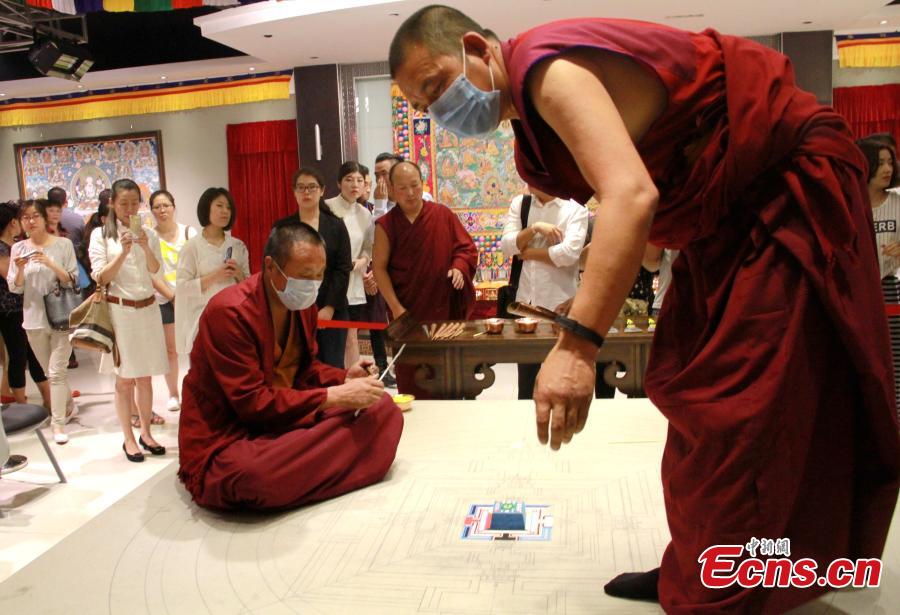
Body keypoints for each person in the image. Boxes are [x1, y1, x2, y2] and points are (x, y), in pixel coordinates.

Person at [390, 7, 899, 612]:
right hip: (723, 224)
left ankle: (731, 588)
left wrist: (578, 345)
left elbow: (631, 194)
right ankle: (697, 560)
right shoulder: (528, 120)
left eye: (435, 84)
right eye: (423, 104)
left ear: (477, 47)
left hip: (784, 192)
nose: (437, 108)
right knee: (685, 375)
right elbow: (662, 168)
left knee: (739, 403)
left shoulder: (544, 71)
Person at [178, 220, 403, 512]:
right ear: (271, 267)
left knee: (383, 410)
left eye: (319, 276)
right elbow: (251, 403)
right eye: (305, 275)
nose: (312, 286)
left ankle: (304, 472)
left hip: (285, 418)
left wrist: (344, 376)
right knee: (252, 475)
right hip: (234, 432)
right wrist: (334, 396)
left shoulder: (301, 306)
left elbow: (304, 372)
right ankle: (325, 466)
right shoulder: (229, 313)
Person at [373, 160, 477, 397]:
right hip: (407, 314)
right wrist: (396, 308)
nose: (410, 193)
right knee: (413, 380)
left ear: (422, 183)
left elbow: (466, 248)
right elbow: (379, 269)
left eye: (414, 185)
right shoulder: (386, 225)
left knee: (448, 376)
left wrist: (459, 267)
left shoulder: (442, 215)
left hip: (444, 310)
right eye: (402, 188)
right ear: (391, 189)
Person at [89, 179, 169, 462]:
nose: (129, 208)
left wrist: (146, 247)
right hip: (120, 312)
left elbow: (156, 269)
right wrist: (123, 252)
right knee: (124, 380)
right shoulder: (101, 235)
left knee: (146, 377)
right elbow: (100, 277)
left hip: (147, 309)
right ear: (112, 203)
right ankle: (128, 438)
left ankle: (146, 432)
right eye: (123, 203)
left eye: (134, 202)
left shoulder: (148, 233)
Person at [501, 187, 588, 399]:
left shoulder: (575, 207)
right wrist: (535, 228)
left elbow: (569, 254)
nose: (531, 183)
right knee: (527, 381)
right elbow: (506, 245)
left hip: (561, 304)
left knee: (563, 380)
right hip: (525, 304)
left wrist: (529, 253)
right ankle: (526, 427)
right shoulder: (521, 204)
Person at [7, 200, 77, 444]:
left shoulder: (63, 244)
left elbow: (72, 279)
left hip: (61, 316)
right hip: (33, 317)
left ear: (44, 218)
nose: (31, 221)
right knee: (49, 371)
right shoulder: (18, 249)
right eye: (25, 217)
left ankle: (58, 424)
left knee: (57, 372)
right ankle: (67, 405)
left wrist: (49, 263)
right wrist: (18, 270)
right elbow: (15, 288)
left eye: (35, 216)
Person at [274, 168, 352, 369]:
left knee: (331, 366)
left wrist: (329, 307)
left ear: (322, 190)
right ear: (294, 192)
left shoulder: (336, 226)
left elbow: (343, 268)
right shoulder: (283, 228)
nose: (306, 193)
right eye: (301, 188)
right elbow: (275, 269)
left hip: (331, 309)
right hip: (294, 310)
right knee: (300, 367)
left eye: (311, 187)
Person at [174, 188, 249, 357]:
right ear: (206, 208)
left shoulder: (238, 246)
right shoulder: (192, 247)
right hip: (202, 320)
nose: (225, 211)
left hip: (234, 321)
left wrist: (238, 274)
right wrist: (215, 276)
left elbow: (249, 287)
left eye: (228, 208)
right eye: (220, 206)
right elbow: (182, 288)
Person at [149, 190, 196, 413]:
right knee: (171, 350)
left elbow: (198, 265)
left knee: (196, 346)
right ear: (151, 210)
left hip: (190, 297)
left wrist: (184, 296)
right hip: (164, 298)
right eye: (157, 206)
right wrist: (172, 296)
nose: (162, 210)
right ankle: (173, 394)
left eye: (166, 205)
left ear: (174, 206)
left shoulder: (189, 232)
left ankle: (197, 390)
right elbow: (150, 274)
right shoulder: (149, 236)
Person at [0, 201, 50, 408]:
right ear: (14, 222)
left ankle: (48, 399)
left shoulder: (12, 247)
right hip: (11, 311)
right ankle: (22, 404)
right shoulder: (3, 248)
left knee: (31, 354)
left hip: (21, 309)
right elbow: (9, 276)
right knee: (18, 356)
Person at [325, 161, 375, 369]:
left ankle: (353, 381)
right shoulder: (327, 207)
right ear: (339, 183)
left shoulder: (365, 214)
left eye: (359, 180)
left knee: (351, 337)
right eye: (349, 179)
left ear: (365, 185)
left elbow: (368, 248)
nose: (355, 184)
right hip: (330, 283)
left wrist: (361, 262)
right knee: (331, 338)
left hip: (353, 282)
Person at [359, 166, 395, 387]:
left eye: (365, 183)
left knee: (379, 322)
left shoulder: (374, 209)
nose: (363, 187)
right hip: (358, 275)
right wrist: (365, 273)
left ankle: (383, 367)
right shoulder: (348, 213)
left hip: (377, 273)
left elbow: (381, 244)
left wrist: (375, 272)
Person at [857, 137, 900, 279]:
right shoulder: (850, 206)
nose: (888, 169)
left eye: (890, 163)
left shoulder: (897, 202)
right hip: (857, 289)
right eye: (880, 164)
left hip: (891, 288)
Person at [47, 187, 85, 253]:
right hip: (75, 258)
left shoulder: (42, 219)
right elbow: (84, 241)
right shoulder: (78, 218)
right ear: (66, 201)